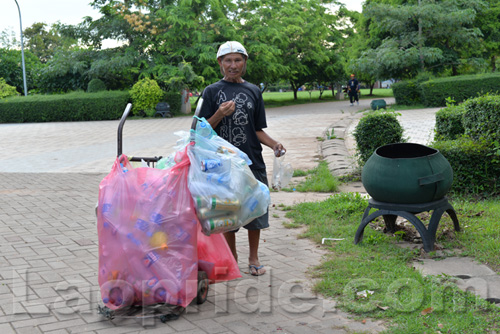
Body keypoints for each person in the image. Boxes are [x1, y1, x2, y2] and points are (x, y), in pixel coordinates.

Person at [199, 41, 286, 276]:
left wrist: (274, 144)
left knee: (255, 209)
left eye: (238, 60)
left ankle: (254, 258)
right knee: (229, 213)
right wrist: (219, 114)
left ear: (245, 63)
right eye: (228, 60)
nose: (233, 65)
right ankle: (232, 256)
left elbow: (257, 130)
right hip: (223, 164)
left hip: (252, 162)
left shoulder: (253, 91)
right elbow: (200, 131)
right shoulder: (211, 92)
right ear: (220, 63)